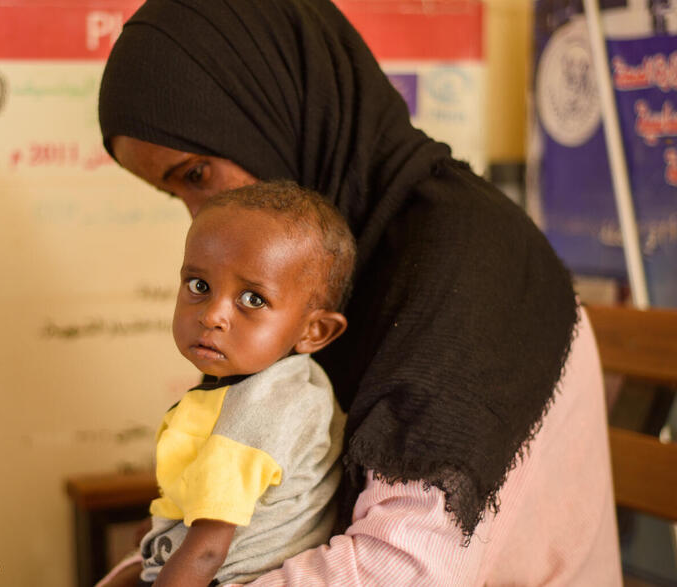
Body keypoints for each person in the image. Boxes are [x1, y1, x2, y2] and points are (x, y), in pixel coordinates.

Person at [97, 0, 622, 584]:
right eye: (177, 194)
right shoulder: (303, 275)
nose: (202, 216)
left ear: (276, 107)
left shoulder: (471, 262)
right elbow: (248, 509)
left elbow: (407, 568)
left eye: (196, 174)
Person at [139, 181, 355, 586]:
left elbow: (206, 549)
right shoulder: (296, 383)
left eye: (252, 299)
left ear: (314, 331)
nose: (212, 315)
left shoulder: (254, 413)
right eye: (199, 286)